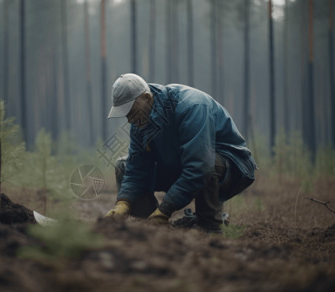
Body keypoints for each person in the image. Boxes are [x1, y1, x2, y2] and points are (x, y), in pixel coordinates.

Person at [104, 73, 257, 233]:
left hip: (232, 167)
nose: (129, 119)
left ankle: (209, 224)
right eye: (125, 114)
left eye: (131, 111)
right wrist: (123, 203)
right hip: (181, 163)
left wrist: (165, 210)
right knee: (124, 166)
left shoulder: (192, 106)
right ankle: (151, 227)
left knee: (206, 163)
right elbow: (136, 169)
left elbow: (199, 166)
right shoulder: (139, 121)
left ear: (147, 97)